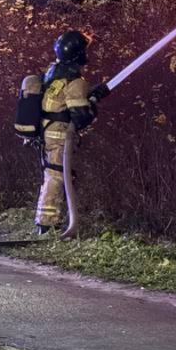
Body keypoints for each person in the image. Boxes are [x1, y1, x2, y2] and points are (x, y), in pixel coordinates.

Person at [15, 30, 108, 237]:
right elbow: (81, 117)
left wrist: (90, 94)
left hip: (45, 132)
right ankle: (47, 225)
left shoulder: (53, 72)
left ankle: (47, 222)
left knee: (52, 175)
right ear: (79, 54)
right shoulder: (76, 82)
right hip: (58, 136)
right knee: (56, 177)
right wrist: (94, 101)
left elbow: (61, 102)